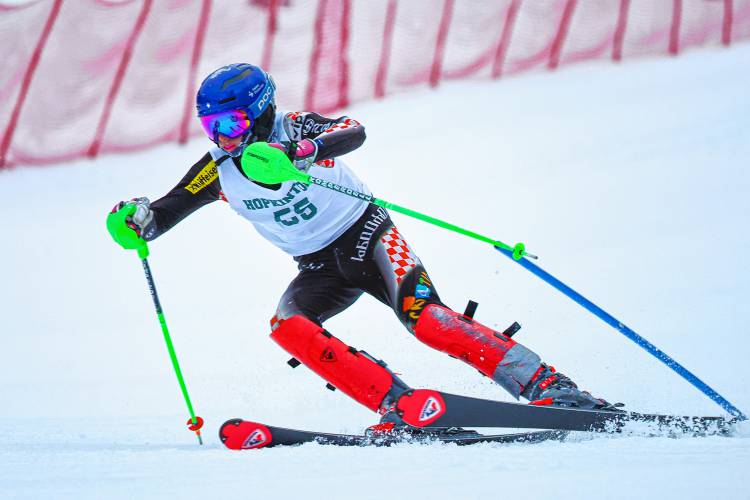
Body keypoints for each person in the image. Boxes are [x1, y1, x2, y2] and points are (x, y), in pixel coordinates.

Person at [107, 63, 611, 431]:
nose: (225, 138)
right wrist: (141, 220)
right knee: (289, 328)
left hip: (367, 234)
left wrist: (300, 151)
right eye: (213, 127)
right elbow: (168, 209)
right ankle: (398, 405)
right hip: (317, 265)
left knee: (427, 320)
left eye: (233, 124)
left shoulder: (293, 128)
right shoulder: (217, 169)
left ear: (261, 114)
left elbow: (352, 130)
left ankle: (547, 385)